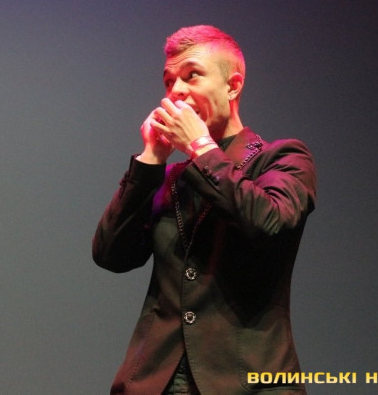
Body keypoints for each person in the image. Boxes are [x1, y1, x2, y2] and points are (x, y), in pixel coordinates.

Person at [92, 25, 316, 394]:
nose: (176, 91)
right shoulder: (170, 178)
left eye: (192, 75)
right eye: (169, 81)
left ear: (233, 86)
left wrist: (200, 146)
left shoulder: (282, 158)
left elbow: (270, 222)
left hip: (246, 382)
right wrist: (151, 159)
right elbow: (111, 255)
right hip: (156, 382)